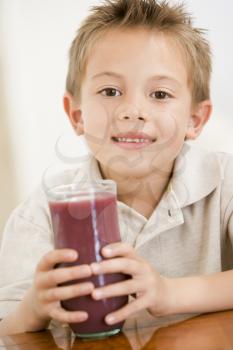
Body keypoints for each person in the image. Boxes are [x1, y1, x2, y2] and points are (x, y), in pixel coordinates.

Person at [1, 0, 233, 337]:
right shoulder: (41, 213)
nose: (132, 110)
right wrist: (33, 309)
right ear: (76, 114)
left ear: (194, 120)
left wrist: (168, 294)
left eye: (160, 93)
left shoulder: (224, 182)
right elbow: (6, 327)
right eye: (110, 91)